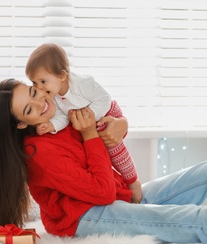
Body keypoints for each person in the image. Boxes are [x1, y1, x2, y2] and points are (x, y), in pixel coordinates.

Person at [0, 78, 207, 244]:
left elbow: (107, 125)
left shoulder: (59, 114)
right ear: (21, 123)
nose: (42, 102)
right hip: (86, 217)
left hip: (116, 194)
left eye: (35, 92)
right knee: (195, 219)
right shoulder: (40, 153)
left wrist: (120, 124)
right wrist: (88, 135)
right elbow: (101, 193)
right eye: (29, 108)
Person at [24, 43, 142, 202]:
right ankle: (126, 187)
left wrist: (92, 119)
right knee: (107, 154)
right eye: (34, 83)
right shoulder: (55, 97)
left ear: (62, 76)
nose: (39, 88)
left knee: (116, 152)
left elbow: (104, 100)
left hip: (106, 112)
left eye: (42, 81)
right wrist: (51, 126)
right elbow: (63, 117)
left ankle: (133, 182)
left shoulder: (82, 83)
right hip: (91, 124)